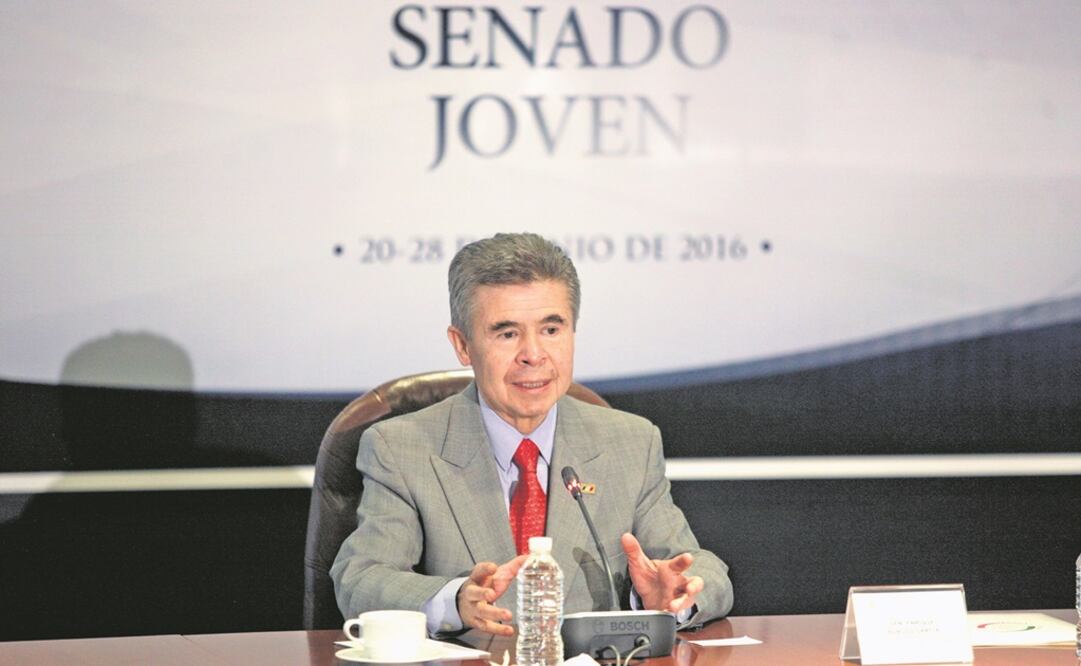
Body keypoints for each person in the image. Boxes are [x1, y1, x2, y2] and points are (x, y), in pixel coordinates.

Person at [331, 232, 733, 636]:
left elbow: (700, 568)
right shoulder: (401, 448)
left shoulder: (630, 442)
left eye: (551, 330)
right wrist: (454, 600)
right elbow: (361, 579)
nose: (534, 354)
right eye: (507, 333)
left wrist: (674, 596)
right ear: (463, 345)